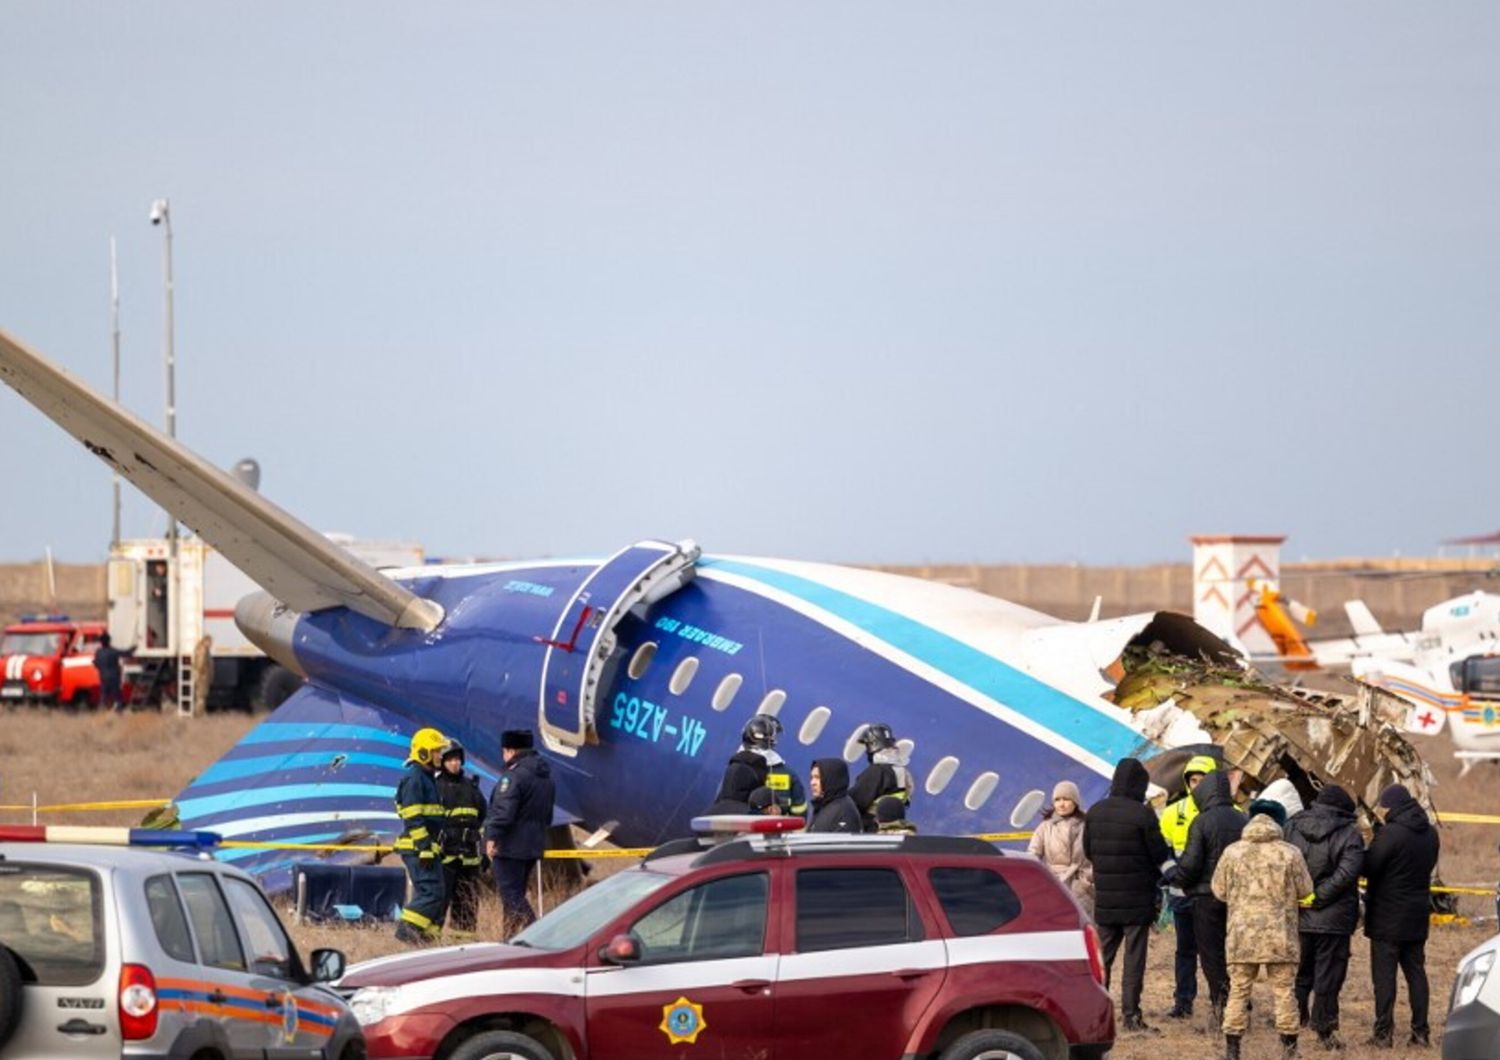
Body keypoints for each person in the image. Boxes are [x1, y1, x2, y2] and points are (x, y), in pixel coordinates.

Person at [1212, 809, 1316, 1060]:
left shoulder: (1232, 852)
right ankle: (1289, 1050)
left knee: (1238, 990)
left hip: (1241, 935)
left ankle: (1233, 1050)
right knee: (1284, 992)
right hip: (1280, 935)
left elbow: (1218, 890)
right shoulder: (1290, 853)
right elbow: (1306, 890)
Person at [1082, 757, 1175, 1032]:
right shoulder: (1142, 814)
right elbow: (1158, 853)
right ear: (1140, 785)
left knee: (1103, 959)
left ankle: (1097, 1015)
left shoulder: (1096, 811)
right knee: (1134, 959)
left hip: (1107, 900)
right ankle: (1131, 1016)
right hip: (1137, 899)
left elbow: (1088, 851)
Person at [1285, 784, 1364, 1050]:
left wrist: (1303, 895)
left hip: (1298, 912)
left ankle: (1293, 1021)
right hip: (1334, 919)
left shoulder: (1293, 826)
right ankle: (1324, 1030)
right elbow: (1347, 873)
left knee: (1299, 972)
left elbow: (1285, 863)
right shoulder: (1349, 834)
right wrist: (1318, 897)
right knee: (1329, 976)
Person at [1364, 783, 1440, 1049]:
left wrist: (1372, 842)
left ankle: (1383, 1034)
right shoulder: (1430, 833)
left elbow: (1370, 868)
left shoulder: (1390, 834)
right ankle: (1421, 1033)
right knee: (1416, 975)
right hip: (1417, 915)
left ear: (1392, 806)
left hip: (1387, 917)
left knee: (1384, 979)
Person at [1177, 769, 1247, 1029]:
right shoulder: (1243, 819)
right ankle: (1241, 1005)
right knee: (1237, 955)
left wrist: (1177, 878)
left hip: (1206, 899)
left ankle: (1222, 1008)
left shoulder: (1202, 822)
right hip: (1239, 899)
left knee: (1211, 955)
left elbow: (1191, 864)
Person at [1158, 754, 1217, 1019]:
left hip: (1213, 897)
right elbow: (1162, 850)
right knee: (1185, 951)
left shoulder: (1230, 814)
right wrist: (1172, 875)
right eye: (1193, 780)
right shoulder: (1172, 812)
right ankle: (1183, 1002)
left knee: (1216, 951)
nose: (1197, 786)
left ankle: (1223, 1000)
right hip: (1182, 894)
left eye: (1203, 780)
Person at [484, 728, 556, 935]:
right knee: (516, 896)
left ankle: (538, 935)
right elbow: (548, 816)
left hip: (509, 846)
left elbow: (503, 811)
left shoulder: (514, 777)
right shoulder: (546, 777)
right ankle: (511, 940)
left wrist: (492, 836)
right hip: (533, 844)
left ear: (510, 751)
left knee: (512, 896)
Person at [393, 727, 449, 945]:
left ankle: (427, 940)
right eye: (436, 751)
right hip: (418, 848)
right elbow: (413, 817)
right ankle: (406, 933)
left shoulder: (428, 778)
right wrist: (425, 846)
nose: (440, 756)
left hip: (426, 848)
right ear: (423, 752)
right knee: (431, 893)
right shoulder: (415, 778)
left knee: (438, 893)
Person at [434, 738, 488, 937]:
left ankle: (463, 945)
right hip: (445, 859)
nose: (454, 763)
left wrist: (483, 852)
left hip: (470, 861)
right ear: (442, 762)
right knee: (440, 905)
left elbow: (484, 817)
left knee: (467, 906)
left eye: (457, 759)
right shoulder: (435, 787)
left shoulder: (472, 788)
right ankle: (430, 945)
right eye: (450, 760)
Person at [1027, 779, 1093, 915]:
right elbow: (1032, 854)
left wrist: (1086, 882)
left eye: (1066, 799)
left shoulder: (1087, 825)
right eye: (1057, 800)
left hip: (1083, 889)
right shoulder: (1045, 827)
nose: (1061, 804)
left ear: (1075, 802)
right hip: (1054, 885)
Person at [849, 723, 913, 832]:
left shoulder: (877, 771)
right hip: (891, 828)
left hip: (871, 829)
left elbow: (853, 802)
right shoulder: (903, 772)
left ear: (873, 745)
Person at [807, 758, 862, 833]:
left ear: (831, 778)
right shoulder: (824, 805)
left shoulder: (844, 811)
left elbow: (843, 843)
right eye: (812, 777)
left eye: (818, 777)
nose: (812, 783)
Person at [93, 633, 129, 713]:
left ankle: (102, 713)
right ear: (109, 641)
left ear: (101, 642)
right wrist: (135, 648)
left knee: (103, 697)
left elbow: (96, 663)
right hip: (114, 678)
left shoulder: (98, 652)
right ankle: (119, 712)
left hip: (104, 678)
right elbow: (126, 653)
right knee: (118, 697)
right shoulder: (113, 651)